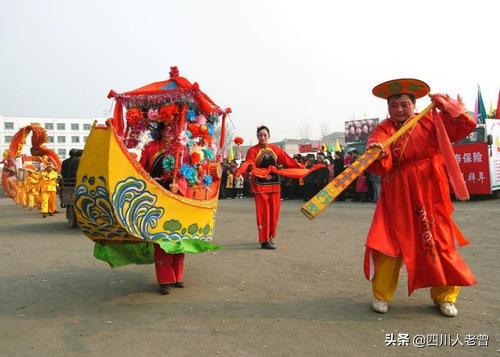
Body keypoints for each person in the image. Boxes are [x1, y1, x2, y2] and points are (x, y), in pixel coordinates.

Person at [364, 78, 476, 317]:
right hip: (397, 194)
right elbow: (377, 146)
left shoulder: (430, 119)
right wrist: (375, 149)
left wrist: (448, 107)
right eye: (393, 105)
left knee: (440, 242)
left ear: (414, 104)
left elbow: (463, 125)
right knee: (388, 243)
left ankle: (445, 296)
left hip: (430, 189)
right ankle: (381, 295)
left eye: (404, 104)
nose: (399, 109)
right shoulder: (385, 128)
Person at [237, 126, 303, 249]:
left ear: (269, 136)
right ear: (257, 136)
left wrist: (301, 168)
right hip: (260, 186)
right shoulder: (252, 150)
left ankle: (270, 236)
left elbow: (287, 161)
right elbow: (250, 163)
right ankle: (264, 240)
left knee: (274, 213)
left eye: (265, 135)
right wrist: (252, 169)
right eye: (260, 135)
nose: (262, 137)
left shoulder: (275, 149)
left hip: (274, 184)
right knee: (263, 212)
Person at [139, 122, 184, 295]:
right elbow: (141, 170)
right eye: (166, 128)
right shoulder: (151, 147)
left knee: (180, 235)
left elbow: (189, 172)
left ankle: (178, 275)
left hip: (178, 196)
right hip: (157, 195)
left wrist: (179, 184)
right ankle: (164, 279)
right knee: (162, 237)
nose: (169, 132)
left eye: (172, 128)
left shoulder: (181, 147)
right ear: (160, 130)